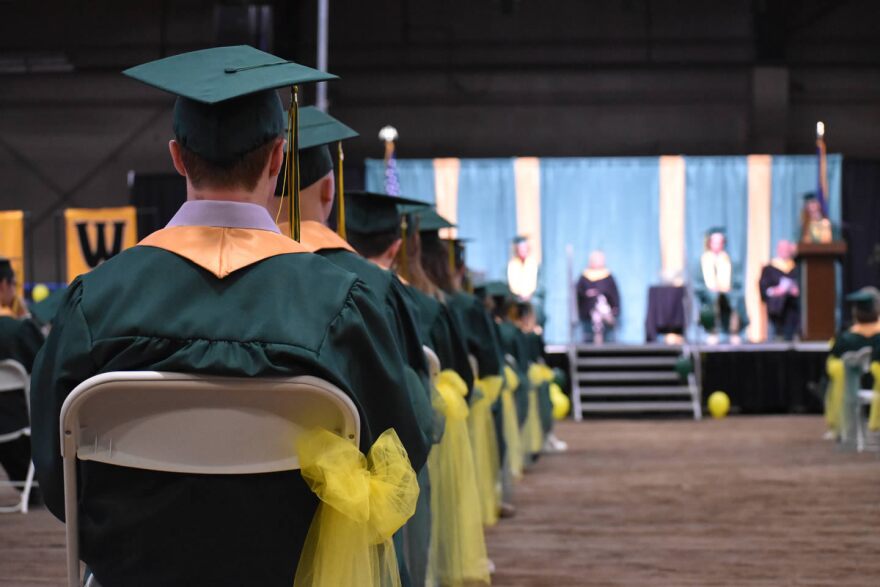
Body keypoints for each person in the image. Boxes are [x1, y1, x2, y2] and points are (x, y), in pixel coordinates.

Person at [30, 46, 427, 587]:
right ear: (278, 160)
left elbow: (58, 483)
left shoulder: (94, 301)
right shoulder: (343, 302)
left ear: (176, 157)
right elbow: (398, 460)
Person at [0, 259, 44, 499]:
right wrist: (27, 318)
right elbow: (46, 361)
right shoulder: (18, 331)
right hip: (19, 425)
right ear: (4, 285)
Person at [824, 287, 880, 439]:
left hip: (851, 387)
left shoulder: (845, 340)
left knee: (830, 378)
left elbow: (831, 363)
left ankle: (839, 425)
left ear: (856, 313)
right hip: (876, 387)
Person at [696, 227, 747, 344]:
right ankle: (712, 331)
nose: (717, 245)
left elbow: (738, 283)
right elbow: (697, 284)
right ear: (709, 243)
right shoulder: (703, 261)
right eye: (714, 242)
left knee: (736, 298)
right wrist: (709, 290)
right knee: (713, 297)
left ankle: (734, 331)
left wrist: (729, 289)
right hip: (709, 294)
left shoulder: (730, 261)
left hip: (728, 293)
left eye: (720, 242)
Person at [575, 250, 620, 343]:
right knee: (597, 305)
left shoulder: (607, 275)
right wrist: (588, 294)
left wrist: (615, 307)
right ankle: (607, 317)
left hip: (605, 304)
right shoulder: (585, 276)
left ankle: (599, 332)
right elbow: (579, 293)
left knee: (600, 302)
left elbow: (614, 293)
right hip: (588, 307)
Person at [759, 240, 800, 341]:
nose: (785, 251)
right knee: (776, 336)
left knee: (792, 335)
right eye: (782, 249)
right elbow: (764, 287)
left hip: (792, 307)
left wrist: (796, 290)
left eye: (787, 249)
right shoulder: (770, 268)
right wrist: (775, 290)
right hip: (776, 308)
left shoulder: (796, 267)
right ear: (778, 250)